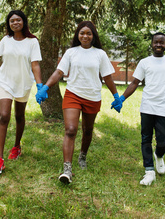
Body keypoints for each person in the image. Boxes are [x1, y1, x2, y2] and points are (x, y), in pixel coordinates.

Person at [36, 21, 123, 184]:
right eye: (82, 33)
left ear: (93, 36)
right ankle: (67, 169)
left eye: (88, 33)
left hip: (93, 96)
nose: (85, 36)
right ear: (77, 34)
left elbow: (107, 77)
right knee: (70, 129)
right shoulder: (71, 52)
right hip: (73, 94)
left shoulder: (100, 54)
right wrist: (45, 87)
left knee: (88, 130)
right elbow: (59, 72)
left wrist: (116, 96)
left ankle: (82, 155)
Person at [0, 10, 43, 176]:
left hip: (23, 83)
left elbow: (35, 65)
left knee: (19, 116)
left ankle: (17, 146)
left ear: (24, 22)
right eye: (12, 21)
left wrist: (40, 85)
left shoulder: (32, 42)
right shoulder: (6, 40)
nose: (15, 23)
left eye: (18, 20)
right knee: (4, 116)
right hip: (6, 81)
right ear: (9, 24)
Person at [115, 32, 165, 186]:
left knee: (163, 142)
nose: (158, 45)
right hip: (147, 106)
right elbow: (135, 82)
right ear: (152, 44)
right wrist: (122, 98)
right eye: (156, 42)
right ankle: (149, 171)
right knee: (145, 139)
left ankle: (159, 156)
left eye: (162, 42)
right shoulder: (144, 62)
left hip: (163, 107)